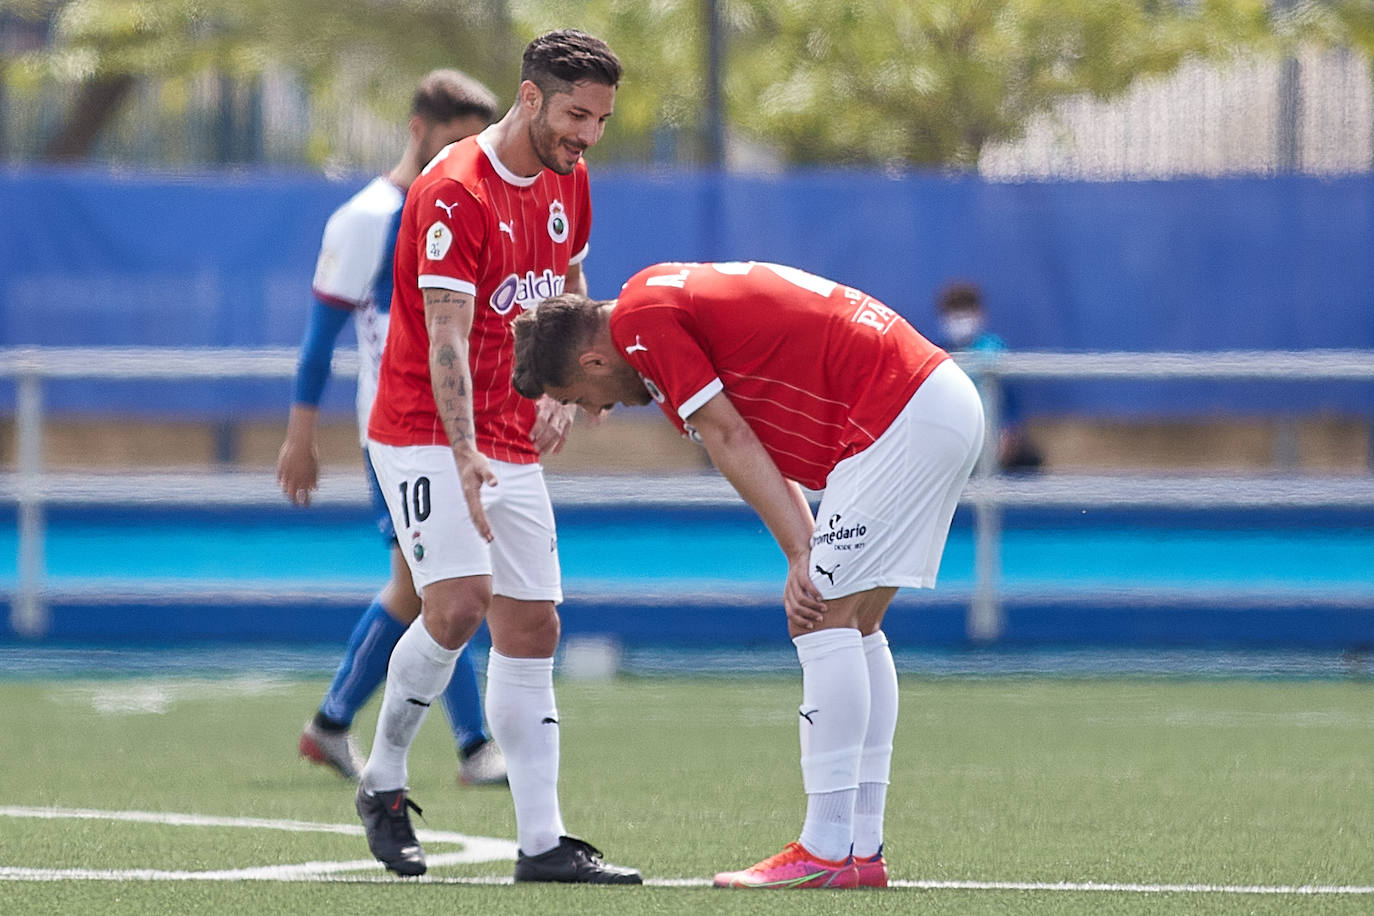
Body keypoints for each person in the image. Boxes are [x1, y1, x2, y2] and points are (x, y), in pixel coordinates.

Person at [511, 261, 985, 890]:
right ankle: (860, 850)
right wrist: (803, 545)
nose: (596, 411)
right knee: (859, 624)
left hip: (901, 412)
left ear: (593, 362)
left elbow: (729, 437)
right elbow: (747, 434)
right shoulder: (649, 301)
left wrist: (799, 553)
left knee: (819, 617)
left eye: (575, 398)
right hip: (931, 402)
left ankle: (824, 849)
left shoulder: (642, 324)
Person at [357, 30, 640, 883]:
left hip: (508, 430)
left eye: (599, 119)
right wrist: (466, 451)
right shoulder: (454, 191)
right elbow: (445, 336)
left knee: (533, 622)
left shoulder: (571, 183)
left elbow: (571, 296)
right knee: (459, 603)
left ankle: (542, 843)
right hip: (421, 428)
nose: (587, 134)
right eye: (574, 115)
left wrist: (558, 390)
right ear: (528, 99)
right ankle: (383, 783)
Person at [277, 69, 509, 788]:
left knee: (420, 589)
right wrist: (300, 437)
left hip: (455, 429)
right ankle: (474, 746)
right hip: (397, 434)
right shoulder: (369, 216)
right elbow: (320, 341)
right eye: (455, 139)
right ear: (419, 129)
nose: (465, 155)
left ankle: (331, 723)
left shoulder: (466, 205)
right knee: (442, 583)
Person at [935, 281, 1042, 473]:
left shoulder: (996, 349)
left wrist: (1010, 432)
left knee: (1030, 459)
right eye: (954, 314)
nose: (960, 321)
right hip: (954, 435)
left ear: (980, 315)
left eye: (966, 313)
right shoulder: (936, 354)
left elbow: (1011, 399)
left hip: (995, 433)